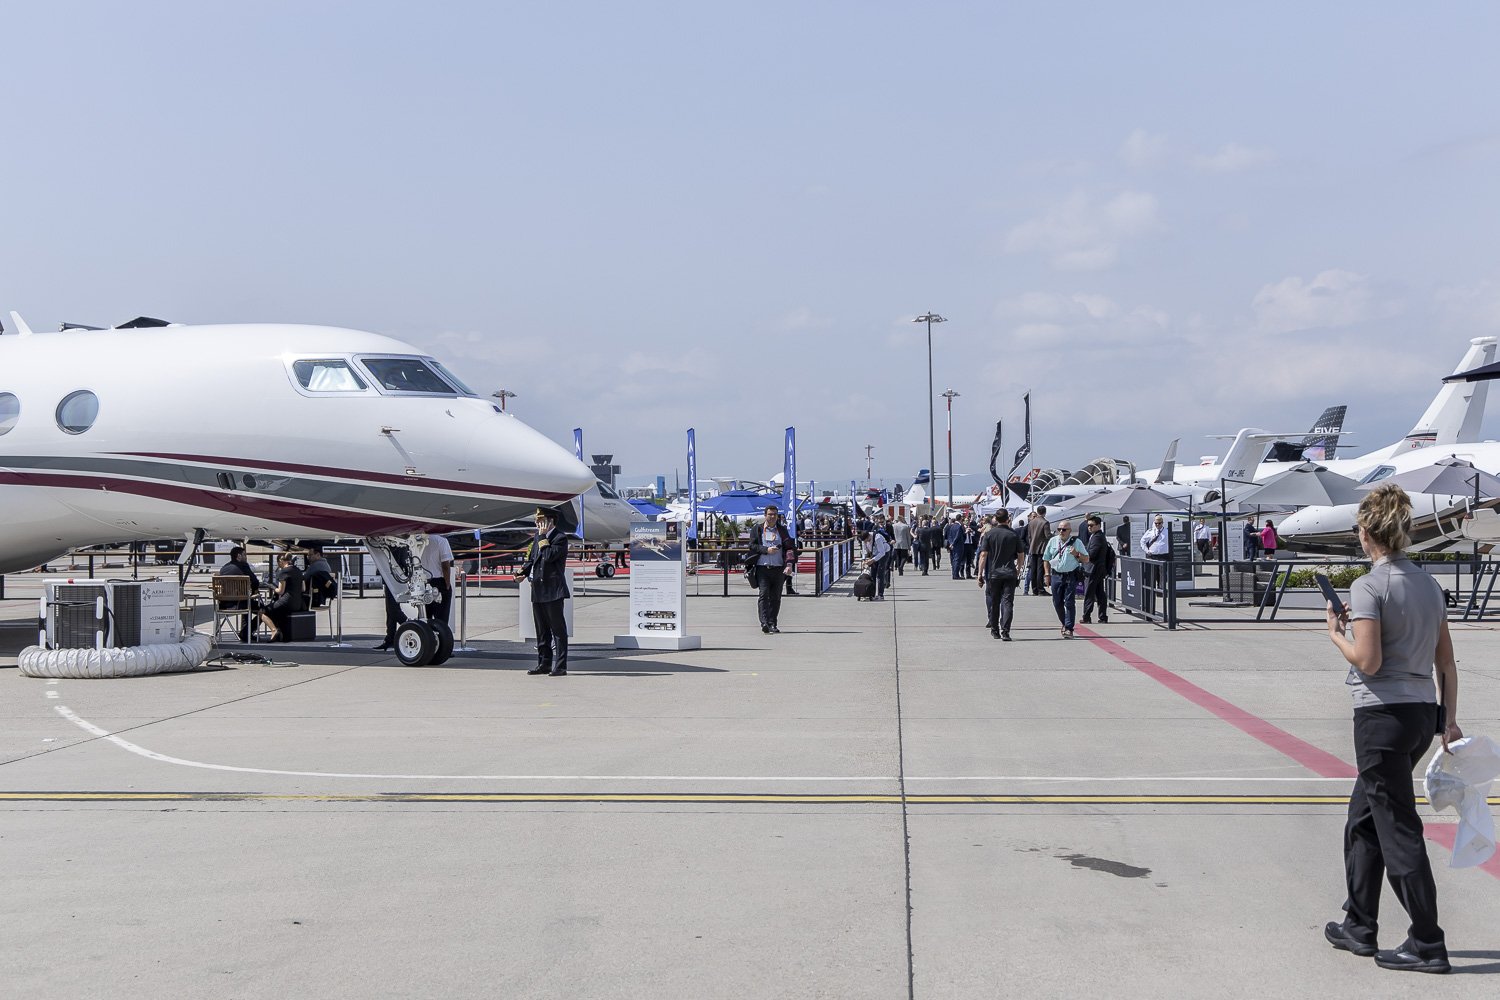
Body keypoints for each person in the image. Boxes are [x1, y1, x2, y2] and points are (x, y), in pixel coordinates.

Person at [1322, 483, 1461, 975]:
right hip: (1422, 712)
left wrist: (1337, 634)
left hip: (1381, 716)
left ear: (1366, 534)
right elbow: (1445, 660)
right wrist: (1449, 718)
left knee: (1397, 826)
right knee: (1365, 816)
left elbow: (1370, 659)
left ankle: (1428, 941)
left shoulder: (1369, 586)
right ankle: (1359, 923)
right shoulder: (1427, 584)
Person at [517, 507, 570, 675]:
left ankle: (560, 666)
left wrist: (542, 537)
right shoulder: (538, 538)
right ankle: (544, 663)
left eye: (540, 521)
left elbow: (549, 556)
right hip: (538, 589)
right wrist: (521, 573)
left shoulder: (560, 538)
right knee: (541, 631)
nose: (536, 523)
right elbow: (532, 560)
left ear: (550, 521)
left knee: (558, 631)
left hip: (553, 590)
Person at [747, 505, 796, 632]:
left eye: (775, 514)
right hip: (762, 568)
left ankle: (772, 622)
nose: (772, 517)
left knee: (776, 597)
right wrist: (766, 550)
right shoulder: (757, 529)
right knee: (763, 595)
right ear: (765, 515)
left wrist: (789, 564)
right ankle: (764, 622)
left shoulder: (782, 530)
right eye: (770, 514)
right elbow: (752, 545)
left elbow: (790, 547)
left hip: (779, 569)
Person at [976, 510, 1023, 640]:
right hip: (1009, 573)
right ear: (1008, 519)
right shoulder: (1013, 534)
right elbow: (1021, 555)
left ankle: (994, 629)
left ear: (995, 519)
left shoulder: (990, 534)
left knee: (995, 602)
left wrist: (980, 574)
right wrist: (1018, 570)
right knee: (1007, 602)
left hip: (994, 573)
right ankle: (1006, 631)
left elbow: (983, 555)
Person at [1042, 519, 1090, 638]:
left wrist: (1077, 554)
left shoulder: (1076, 542)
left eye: (1064, 530)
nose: (1061, 532)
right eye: (1059, 529)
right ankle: (1064, 622)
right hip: (1056, 575)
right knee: (1057, 602)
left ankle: (1069, 628)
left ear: (1069, 531)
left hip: (1070, 575)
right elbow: (1046, 559)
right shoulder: (1053, 541)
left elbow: (1086, 559)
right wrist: (1047, 574)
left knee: (1069, 602)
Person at [217, 545, 261, 642]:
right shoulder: (243, 566)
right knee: (264, 609)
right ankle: (246, 632)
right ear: (239, 556)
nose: (246, 557)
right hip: (240, 604)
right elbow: (255, 582)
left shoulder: (224, 569)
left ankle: (245, 633)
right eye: (244, 555)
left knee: (246, 601)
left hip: (224, 605)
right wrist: (254, 592)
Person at [259, 553, 305, 642]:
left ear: (281, 561)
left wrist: (272, 586)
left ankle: (274, 630)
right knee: (276, 611)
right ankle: (280, 634)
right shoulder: (298, 570)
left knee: (262, 611)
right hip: (297, 603)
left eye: (278, 562)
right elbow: (303, 588)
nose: (278, 564)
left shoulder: (283, 572)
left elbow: (280, 591)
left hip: (286, 602)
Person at [1081, 515, 1113, 625]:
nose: (1089, 527)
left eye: (1091, 525)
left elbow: (1092, 554)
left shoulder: (1098, 537)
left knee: (1089, 593)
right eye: (1088, 525)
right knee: (1100, 593)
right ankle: (1102, 616)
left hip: (1093, 569)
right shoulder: (1096, 535)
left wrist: (1080, 555)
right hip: (1097, 569)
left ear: (1098, 526)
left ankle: (1087, 616)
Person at [420, 532, 455, 625]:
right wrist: (447, 584)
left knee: (425, 618)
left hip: (423, 582)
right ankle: (440, 638)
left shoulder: (419, 541)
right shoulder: (441, 541)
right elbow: (446, 566)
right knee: (441, 620)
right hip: (439, 582)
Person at [303, 544, 338, 609]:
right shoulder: (326, 565)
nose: (308, 557)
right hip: (322, 597)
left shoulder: (315, 566)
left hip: (312, 598)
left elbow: (304, 579)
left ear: (318, 555)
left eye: (310, 555)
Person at [1026, 506, 1051, 596]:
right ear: (1045, 512)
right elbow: (1047, 535)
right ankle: (1040, 589)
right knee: (1040, 569)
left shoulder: (1031, 522)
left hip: (1032, 547)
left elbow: (1029, 536)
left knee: (1033, 570)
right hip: (1041, 548)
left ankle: (1034, 589)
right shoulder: (1045, 522)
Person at [861, 529, 891, 601]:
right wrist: (864, 560)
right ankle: (872, 594)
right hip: (875, 553)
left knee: (880, 574)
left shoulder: (877, 538)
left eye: (866, 541)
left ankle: (880, 594)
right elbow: (864, 550)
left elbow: (882, 553)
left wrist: (872, 560)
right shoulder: (864, 540)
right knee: (872, 574)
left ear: (868, 537)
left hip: (884, 553)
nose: (866, 542)